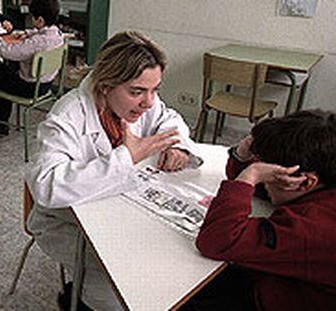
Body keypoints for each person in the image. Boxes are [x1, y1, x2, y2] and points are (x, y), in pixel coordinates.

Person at [26, 31, 204, 310]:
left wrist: (177, 147)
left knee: (164, 251)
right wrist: (126, 158)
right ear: (106, 86)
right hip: (65, 222)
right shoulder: (68, 114)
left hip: (119, 209)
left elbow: (169, 119)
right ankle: (79, 300)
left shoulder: (143, 101)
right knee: (118, 269)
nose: (148, 102)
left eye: (155, 89)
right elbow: (47, 186)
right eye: (137, 92)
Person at [192, 109, 336, 310]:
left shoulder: (313, 226)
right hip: (279, 278)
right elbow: (267, 189)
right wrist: (243, 154)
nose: (264, 181)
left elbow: (218, 241)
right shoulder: (324, 178)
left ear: (306, 182)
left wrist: (250, 175)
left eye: (269, 175)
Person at [0, 0, 63, 137]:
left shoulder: (36, 43)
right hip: (45, 85)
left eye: (32, 17)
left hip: (28, 88)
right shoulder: (58, 34)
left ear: (40, 20)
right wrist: (27, 33)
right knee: (4, 74)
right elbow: (41, 34)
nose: (31, 20)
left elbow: (9, 52)